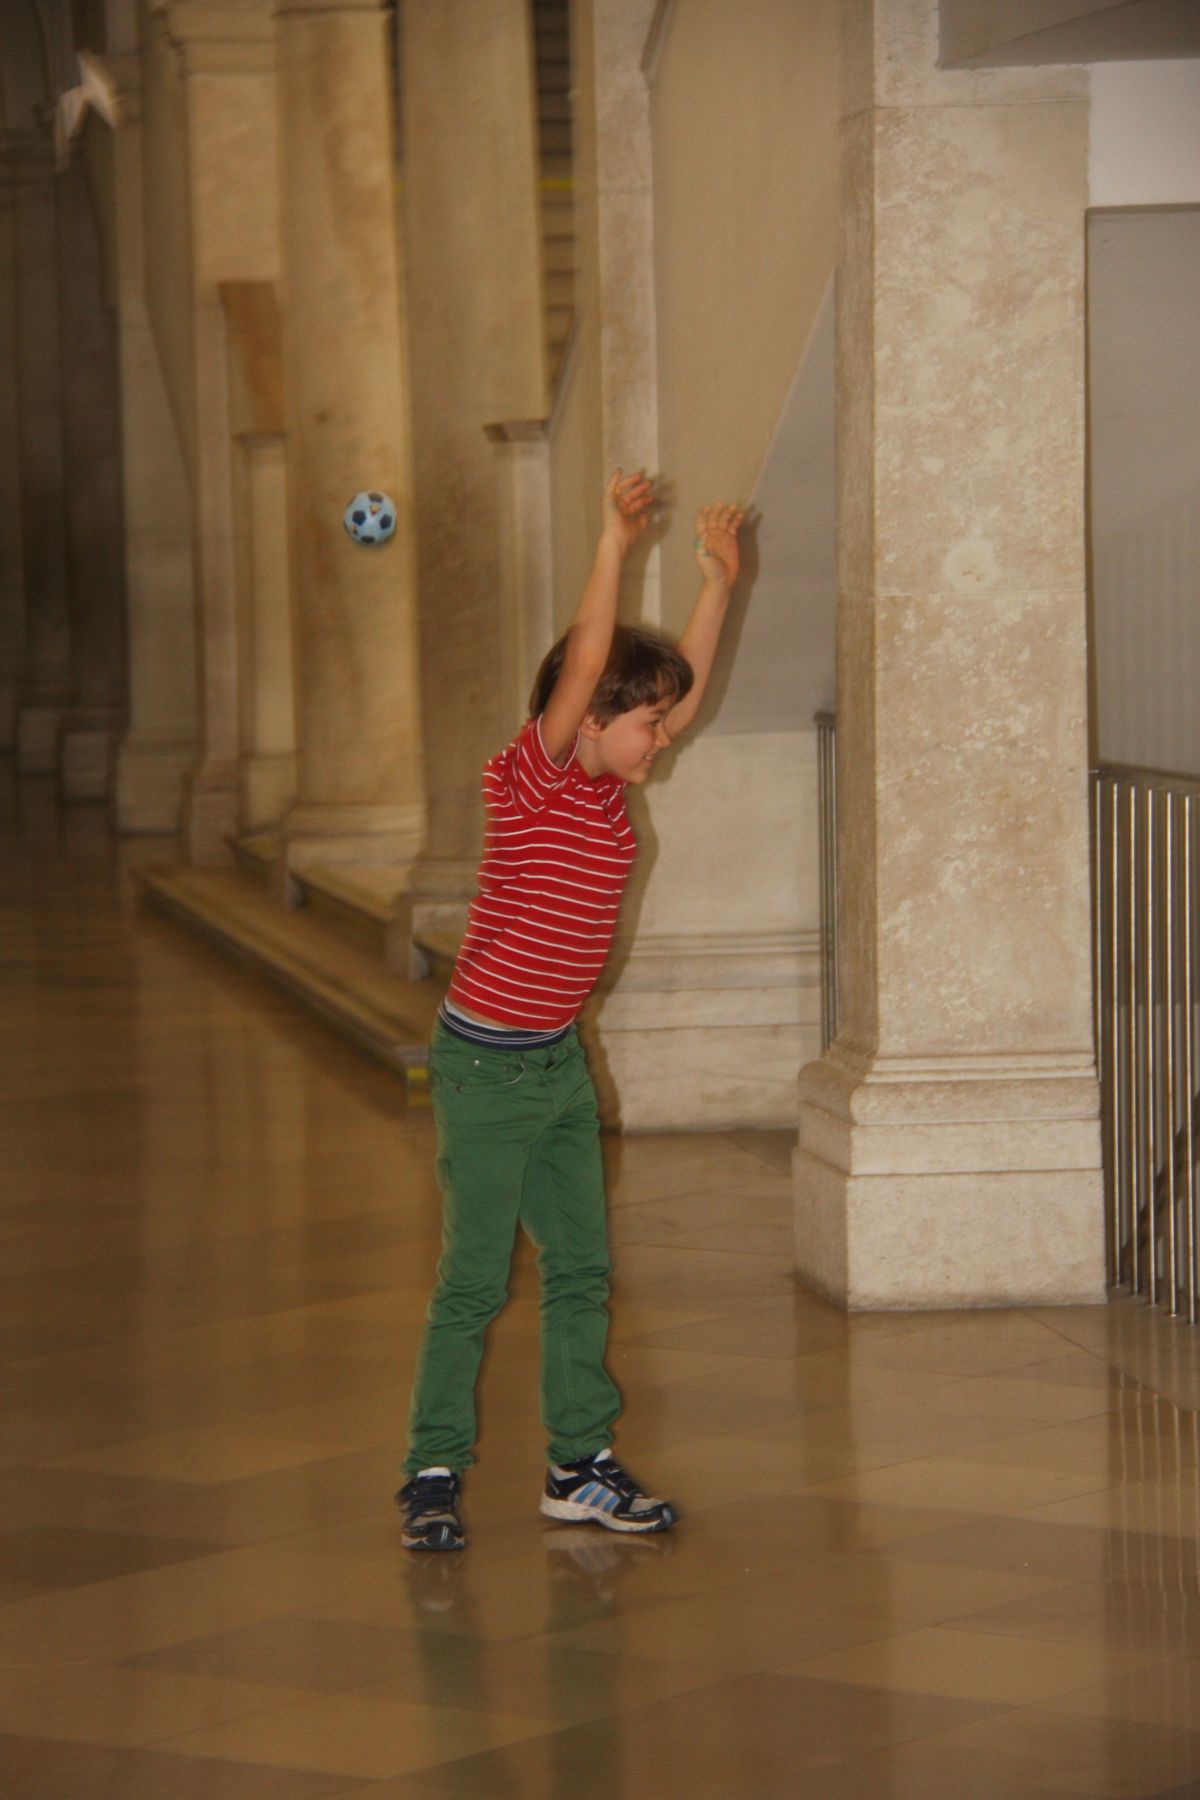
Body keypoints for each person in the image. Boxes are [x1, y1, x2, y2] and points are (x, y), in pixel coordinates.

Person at [398, 470, 745, 1551]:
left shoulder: (604, 786)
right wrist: (611, 542)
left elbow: (682, 691)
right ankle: (431, 1469)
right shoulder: (534, 777)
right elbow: (590, 662)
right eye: (644, 725)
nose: (661, 739)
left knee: (582, 1270)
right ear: (587, 719)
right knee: (474, 1279)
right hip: (483, 1068)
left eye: (660, 724)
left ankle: (578, 1466)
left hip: (554, 1063)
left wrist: (719, 586)